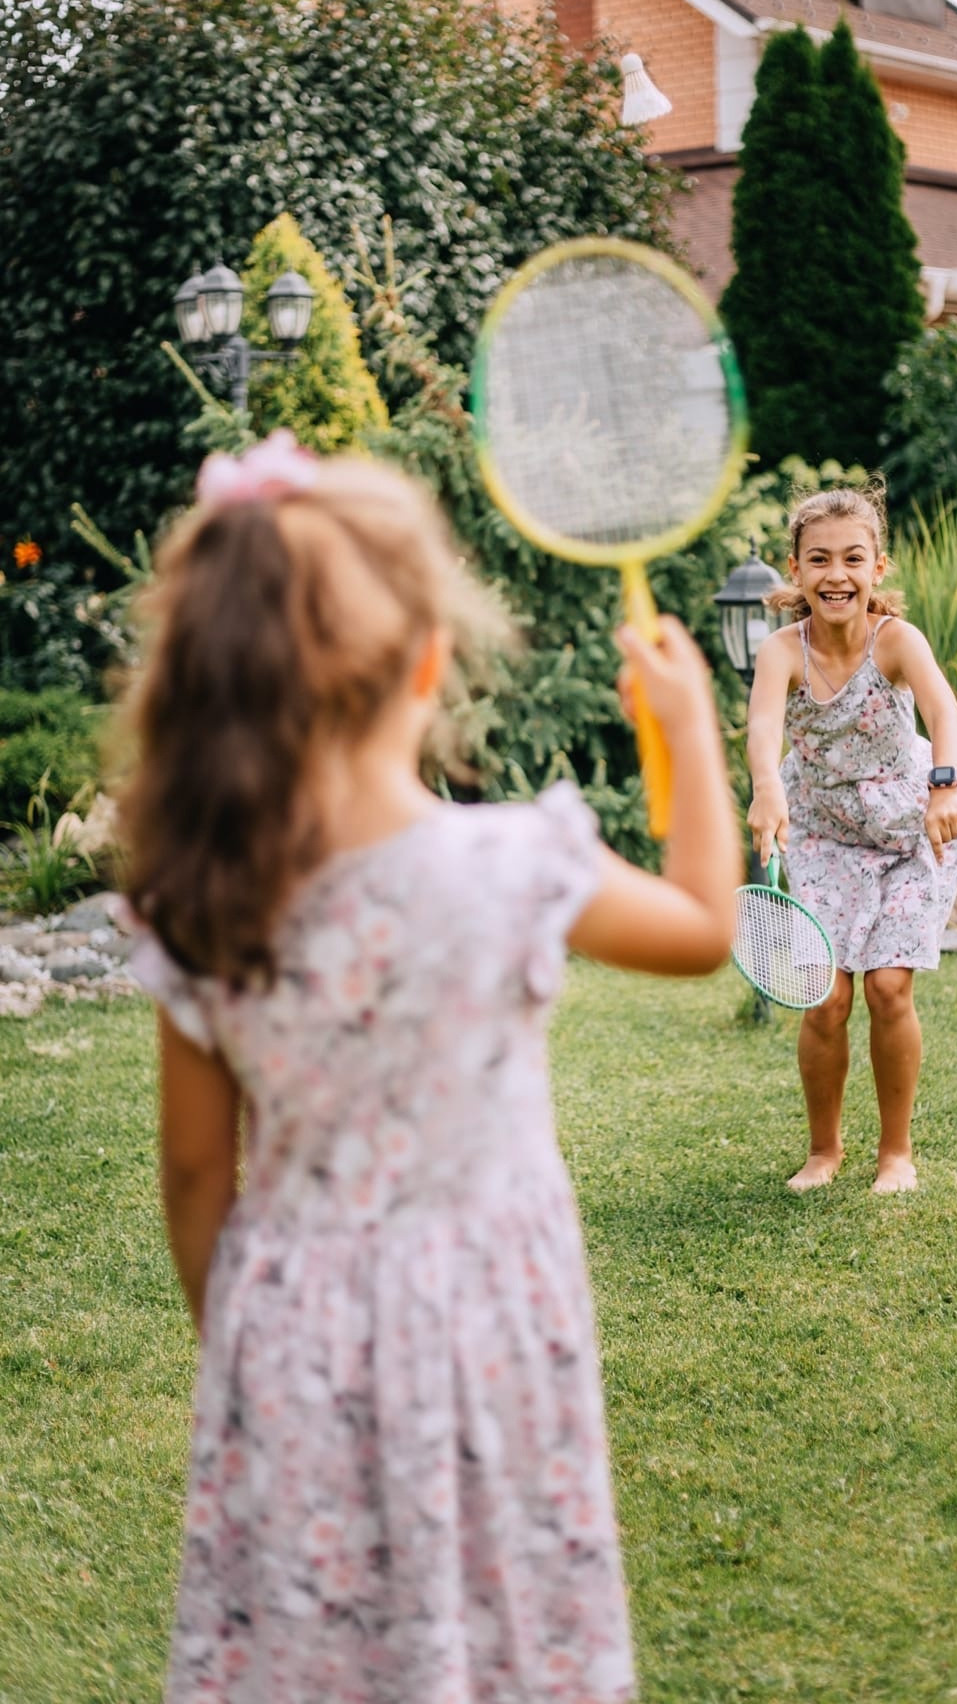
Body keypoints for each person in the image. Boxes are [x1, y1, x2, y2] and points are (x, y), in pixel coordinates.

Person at [120, 431, 740, 1704]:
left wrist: (246, 1336)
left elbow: (195, 1178)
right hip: (484, 1331)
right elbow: (702, 927)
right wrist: (693, 731)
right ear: (425, 659)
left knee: (312, 1644)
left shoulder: (205, 899)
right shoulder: (509, 868)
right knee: (500, 1620)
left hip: (289, 1333)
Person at [746, 484, 957, 1196]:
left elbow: (943, 710)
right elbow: (763, 731)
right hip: (824, 834)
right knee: (825, 998)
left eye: (851, 558)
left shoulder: (895, 641)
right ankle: (824, 1151)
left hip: (911, 829)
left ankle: (896, 1154)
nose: (835, 574)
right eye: (819, 560)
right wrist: (766, 787)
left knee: (889, 985)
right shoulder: (782, 651)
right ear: (796, 569)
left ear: (877, 567)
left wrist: (944, 784)